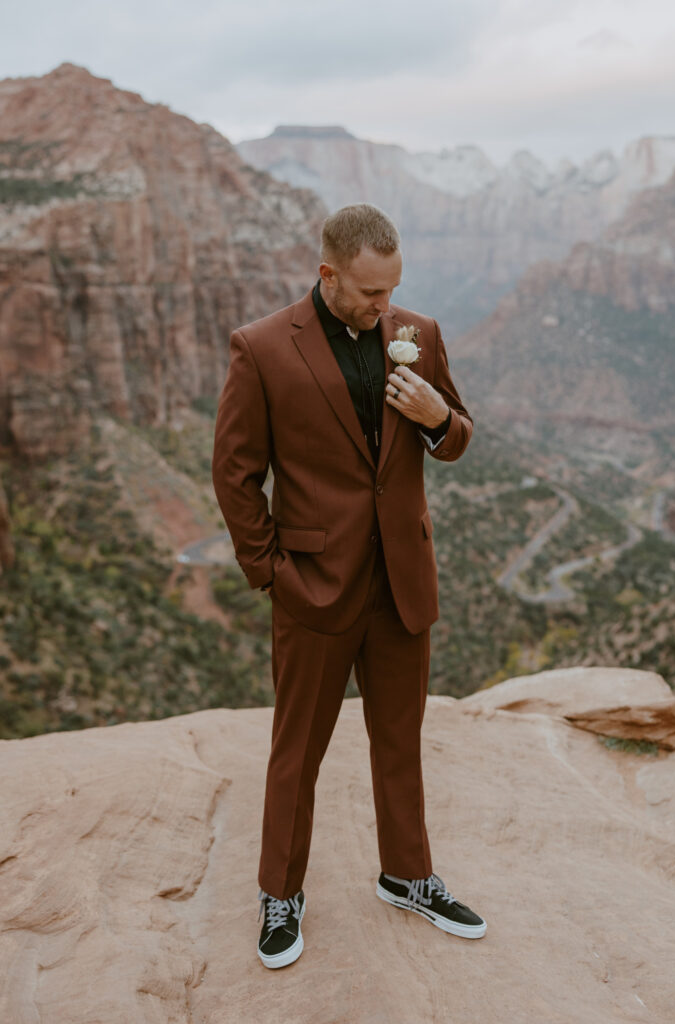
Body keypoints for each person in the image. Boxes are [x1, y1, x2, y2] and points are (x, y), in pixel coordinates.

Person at [212, 203, 486, 969]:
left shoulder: (419, 335)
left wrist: (437, 419)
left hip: (403, 583)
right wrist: (271, 572)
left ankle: (407, 876)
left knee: (399, 741)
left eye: (391, 291)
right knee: (296, 751)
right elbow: (235, 474)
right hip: (313, 590)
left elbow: (459, 436)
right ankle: (280, 893)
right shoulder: (262, 347)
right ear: (327, 273)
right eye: (369, 293)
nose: (383, 307)